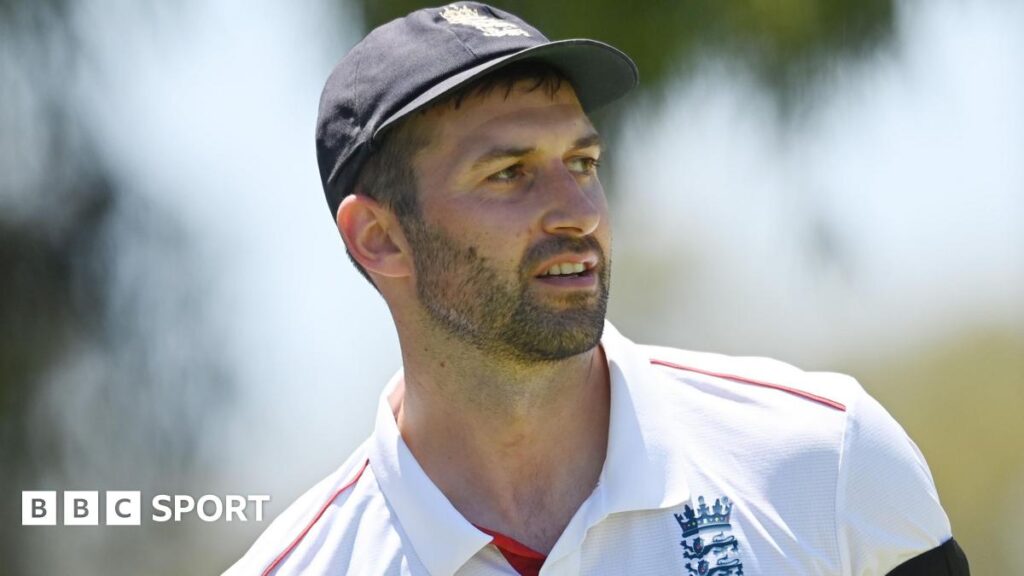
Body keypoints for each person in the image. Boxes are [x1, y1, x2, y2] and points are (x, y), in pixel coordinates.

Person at [226, 3, 968, 575]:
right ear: (379, 239)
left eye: (581, 163)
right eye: (509, 173)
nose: (580, 213)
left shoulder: (829, 462)